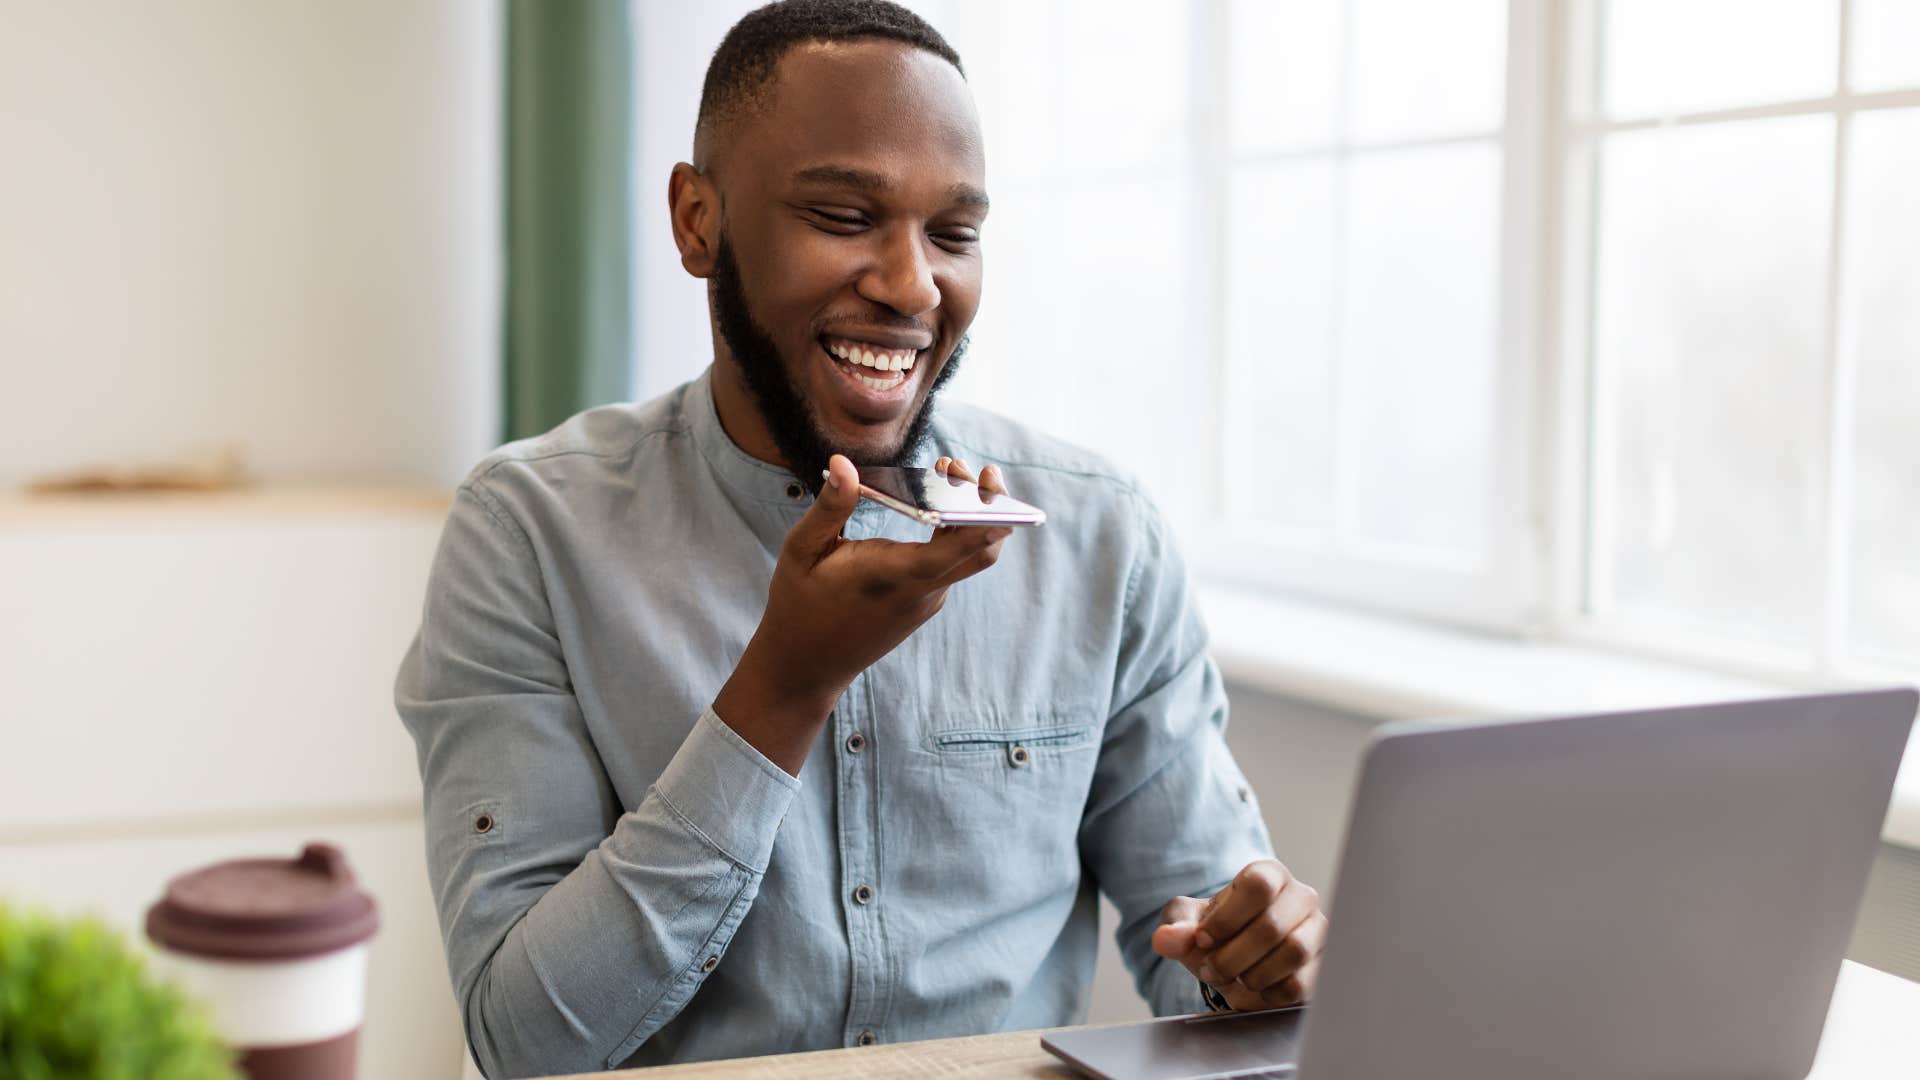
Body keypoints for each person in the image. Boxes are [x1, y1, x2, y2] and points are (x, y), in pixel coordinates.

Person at [397, 2, 1325, 1075]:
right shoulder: (528, 535)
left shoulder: (1098, 535)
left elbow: (1206, 955)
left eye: (955, 234)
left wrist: (1254, 962)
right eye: (842, 214)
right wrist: (785, 686)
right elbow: (527, 1043)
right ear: (699, 221)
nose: (912, 284)